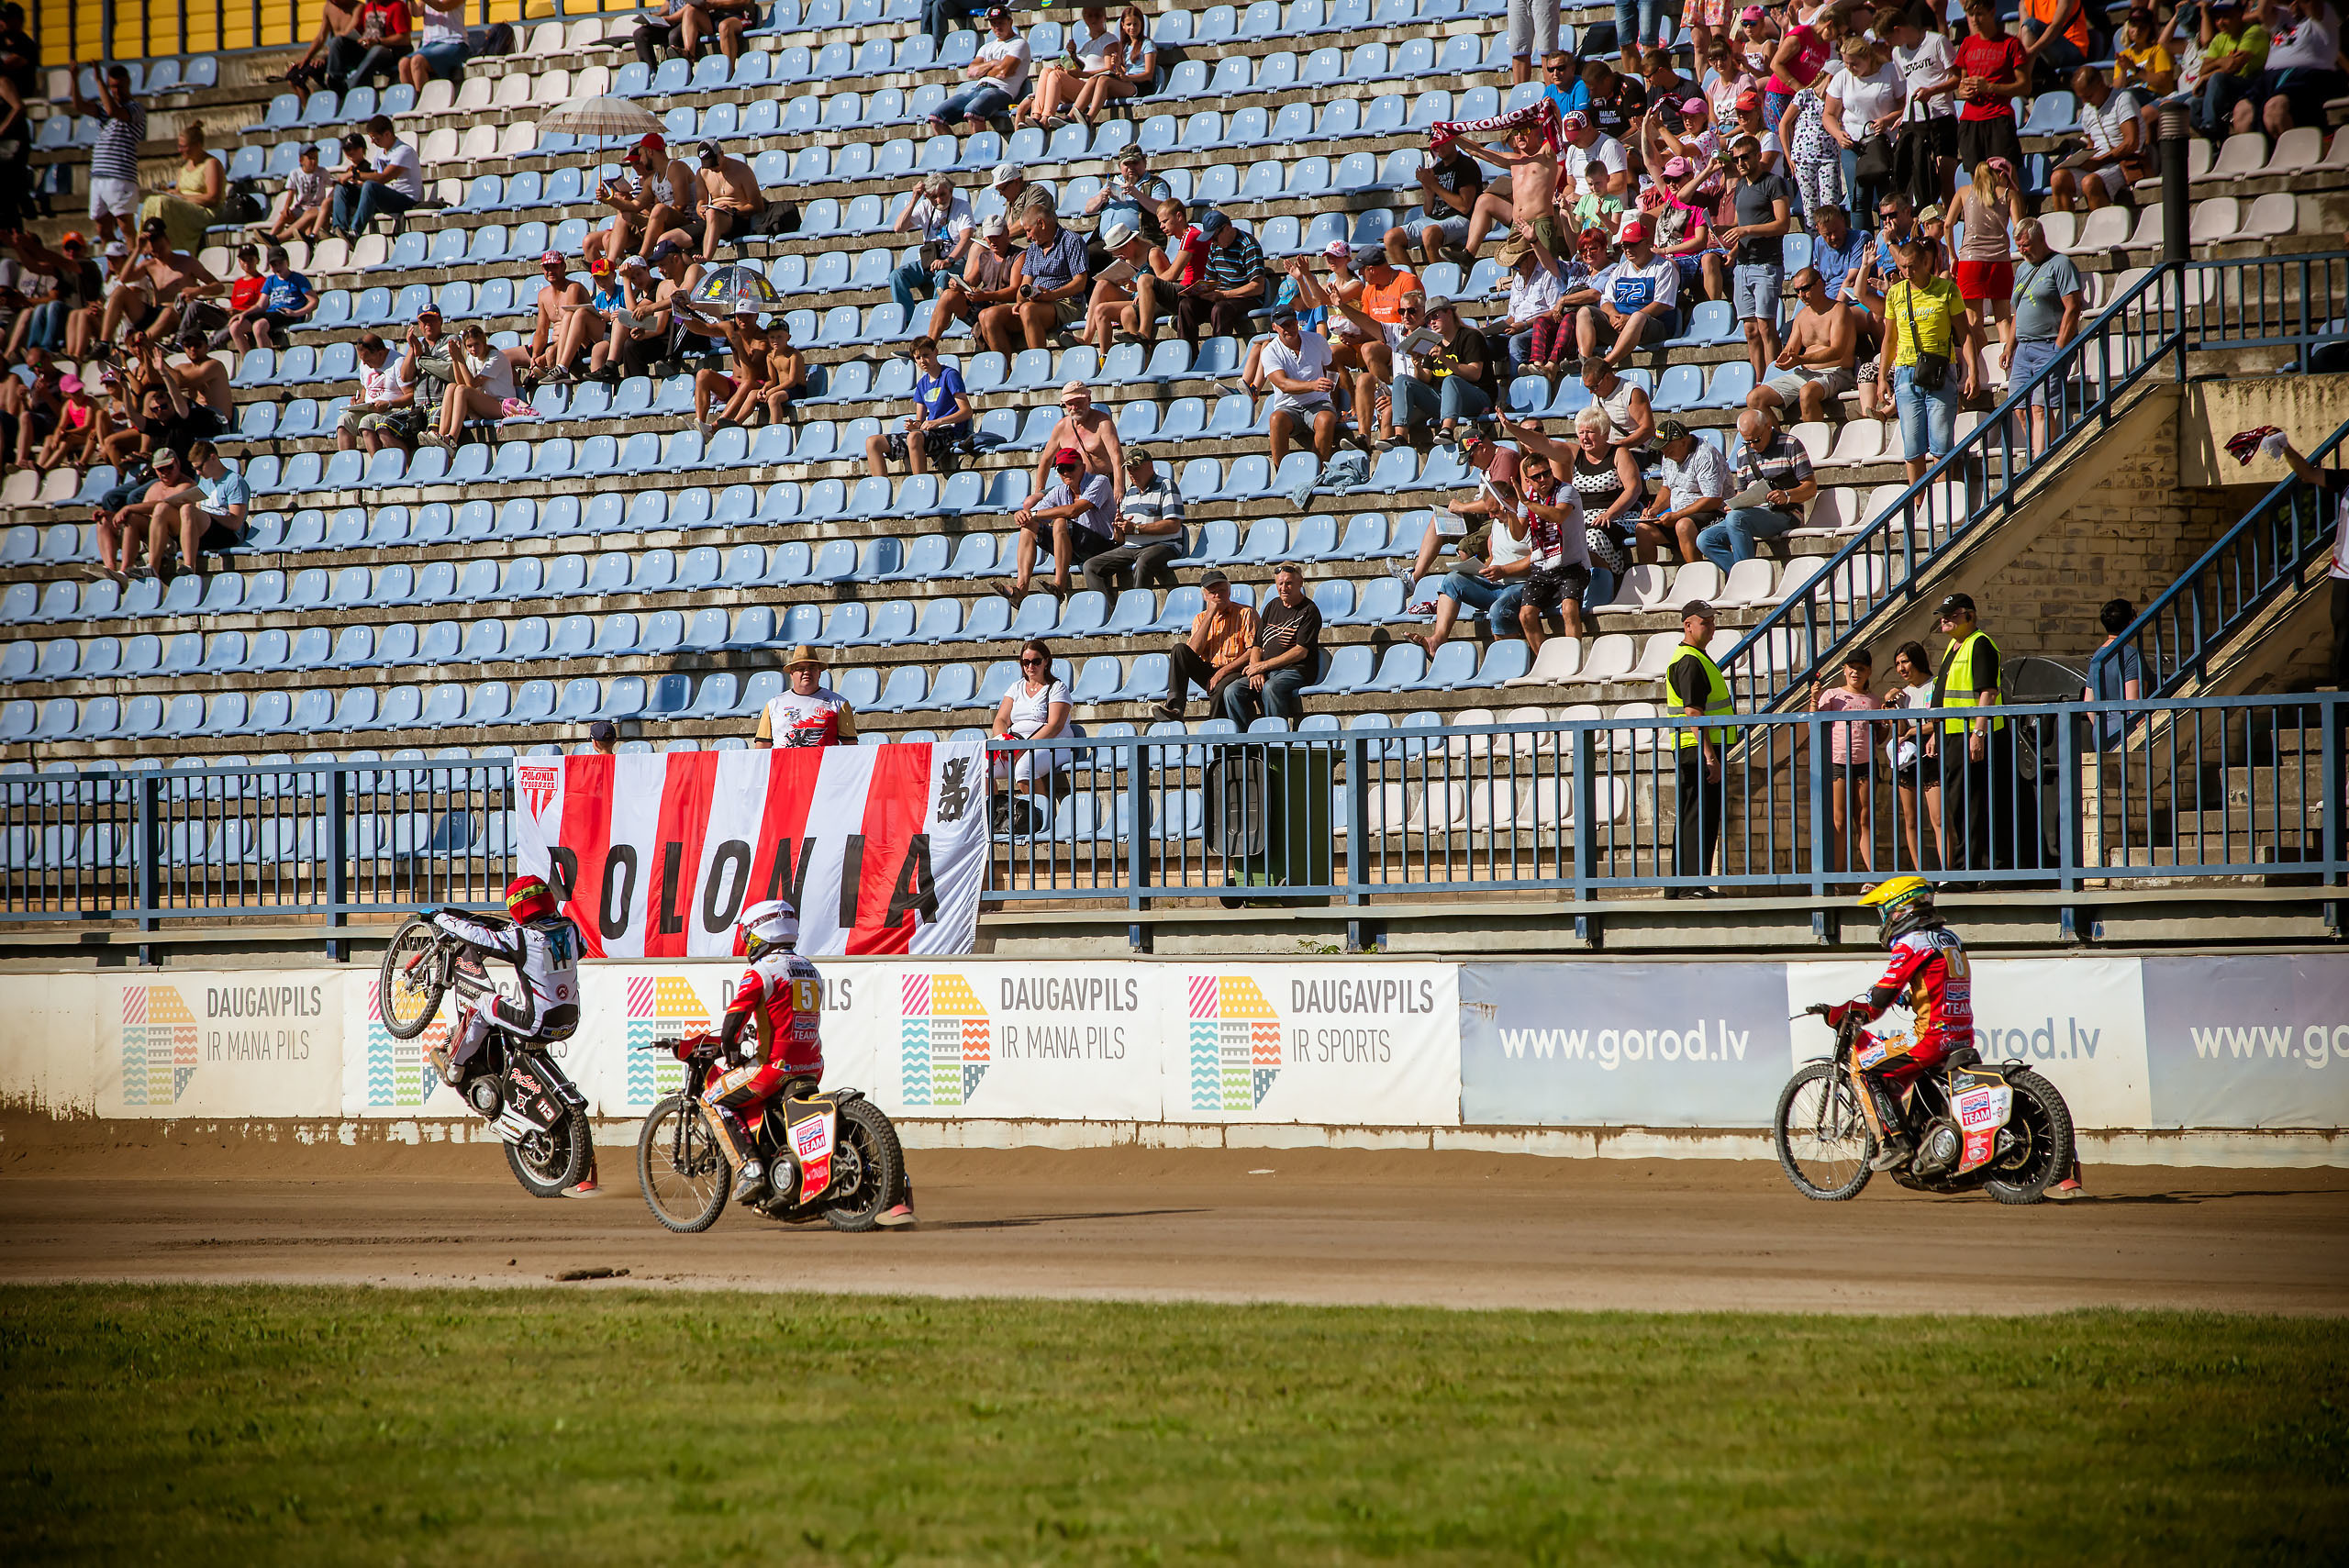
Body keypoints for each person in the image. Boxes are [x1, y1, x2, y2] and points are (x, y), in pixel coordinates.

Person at [1820, 876, 1974, 1173]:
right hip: (1961, 1034)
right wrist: (1909, 997)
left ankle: (1896, 1142)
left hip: (1929, 1037)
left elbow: (1878, 1000)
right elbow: (1937, 984)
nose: (1883, 920)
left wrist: (1845, 1010)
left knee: (1865, 1068)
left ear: (1899, 910)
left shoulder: (1911, 942)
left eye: (1884, 912)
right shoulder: (1949, 938)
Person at [424, 874, 583, 1091]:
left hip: (536, 1024)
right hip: (570, 1023)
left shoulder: (521, 937)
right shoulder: (571, 930)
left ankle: (454, 1069)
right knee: (513, 1004)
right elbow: (578, 949)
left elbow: (477, 937)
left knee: (483, 1003)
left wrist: (439, 918)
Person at [1932, 591, 2026, 878]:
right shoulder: (1955, 646)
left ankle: (1969, 871)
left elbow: (1988, 691)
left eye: (1952, 615)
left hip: (1969, 735)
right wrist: (1935, 732)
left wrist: (1979, 732)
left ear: (1969, 616)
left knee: (1970, 805)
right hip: (1951, 734)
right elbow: (1944, 695)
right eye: (1943, 616)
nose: (1945, 620)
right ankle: (1969, 868)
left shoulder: (1980, 644)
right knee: (1959, 804)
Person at [2259, 428, 2349, 691]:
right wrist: (2285, 446)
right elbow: (2308, 473)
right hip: (2345, 571)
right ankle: (2345, 689)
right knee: (2344, 628)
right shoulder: (2345, 480)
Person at [1880, 239, 1975, 483]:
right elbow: (1889, 340)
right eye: (1902, 267)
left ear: (1925, 262)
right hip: (1905, 372)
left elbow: (1964, 334)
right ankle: (1920, 506)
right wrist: (1882, 377)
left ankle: (1942, 506)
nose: (1907, 272)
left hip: (1940, 370)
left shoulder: (1947, 289)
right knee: (1912, 446)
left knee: (1941, 444)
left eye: (1912, 266)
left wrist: (1972, 371)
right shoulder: (1895, 293)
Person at [1666, 600, 1735, 896]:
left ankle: (1687, 885)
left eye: (1712, 621)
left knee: (1699, 816)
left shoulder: (1697, 657)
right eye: (1704, 622)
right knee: (1698, 816)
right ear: (1688, 625)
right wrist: (1709, 756)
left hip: (1698, 748)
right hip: (1698, 750)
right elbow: (1694, 713)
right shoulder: (1689, 661)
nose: (1710, 626)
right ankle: (1689, 885)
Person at [1717, 134, 1796, 388]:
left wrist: (1746, 231)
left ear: (1757, 155)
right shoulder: (1740, 186)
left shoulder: (1774, 183)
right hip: (1743, 265)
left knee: (1766, 327)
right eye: (1736, 158)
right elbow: (1744, 222)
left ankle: (1777, 381)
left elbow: (1782, 224)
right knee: (1750, 331)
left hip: (1766, 264)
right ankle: (1760, 383)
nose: (1740, 162)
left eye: (1745, 157)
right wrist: (1728, 236)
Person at [2006, 217, 2082, 456]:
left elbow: (2073, 306)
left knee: (2040, 407)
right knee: (2019, 408)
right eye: (2018, 246)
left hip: (2048, 345)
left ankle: (2039, 463)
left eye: (2026, 245)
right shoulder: (2022, 269)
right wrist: (2009, 346)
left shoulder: (2060, 264)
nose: (2022, 250)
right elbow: (2018, 310)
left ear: (2041, 239)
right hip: (2023, 350)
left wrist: (2060, 347)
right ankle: (2041, 453)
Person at [1003, 447, 1115, 599]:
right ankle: (1021, 589)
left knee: (1060, 522)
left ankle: (1059, 587)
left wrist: (1033, 514)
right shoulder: (1059, 490)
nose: (1066, 473)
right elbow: (1033, 516)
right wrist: (1022, 515)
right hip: (1077, 547)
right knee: (1028, 526)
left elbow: (1073, 511)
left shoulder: (1100, 481)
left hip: (1104, 548)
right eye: (1061, 469)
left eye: (1070, 467)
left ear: (1082, 467)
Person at [1748, 266, 1856, 422]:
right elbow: (1790, 348)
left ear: (1820, 284)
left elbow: (1837, 351)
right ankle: (1776, 443)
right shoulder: (1801, 316)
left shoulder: (1839, 310)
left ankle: (1813, 444)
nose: (1801, 295)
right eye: (1797, 291)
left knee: (1807, 393)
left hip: (1836, 372)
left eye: (1805, 289)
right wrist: (1785, 359)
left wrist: (1801, 360)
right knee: (1755, 398)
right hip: (1805, 374)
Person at [977, 205, 1089, 353]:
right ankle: (1005, 371)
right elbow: (1024, 286)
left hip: (1065, 304)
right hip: (1035, 303)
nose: (1028, 237)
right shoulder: (1033, 249)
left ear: (1041, 224)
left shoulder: (1071, 241)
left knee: (1028, 310)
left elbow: (1080, 283)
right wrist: (1022, 299)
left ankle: (1037, 368)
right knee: (987, 315)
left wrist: (1051, 295)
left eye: (1029, 230)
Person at [1569, 217, 1680, 364]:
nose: (1628, 250)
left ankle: (1605, 365)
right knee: (1584, 312)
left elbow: (1662, 303)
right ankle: (1585, 362)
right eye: (1624, 246)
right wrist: (1614, 316)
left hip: (1653, 326)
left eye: (1633, 244)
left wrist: (1630, 318)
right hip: (1621, 323)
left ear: (1646, 243)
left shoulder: (1664, 267)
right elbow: (1606, 300)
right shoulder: (1620, 270)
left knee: (1637, 317)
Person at [859, 335, 970, 478]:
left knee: (914, 438)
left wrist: (938, 421)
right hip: (928, 433)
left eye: (926, 355)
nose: (922, 361)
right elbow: (919, 421)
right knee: (873, 442)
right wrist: (914, 425)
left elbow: (967, 411)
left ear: (935, 352)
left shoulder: (949, 375)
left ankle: (920, 487)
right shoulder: (922, 383)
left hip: (949, 432)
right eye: (918, 358)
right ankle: (881, 493)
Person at [1954, 156, 2022, 388]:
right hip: (2000, 260)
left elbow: (1946, 224)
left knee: (1974, 322)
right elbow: (2019, 227)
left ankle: (1983, 371)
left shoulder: (1965, 191)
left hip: (1970, 262)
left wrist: (1953, 254)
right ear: (2001, 174)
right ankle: (2008, 367)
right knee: (2003, 319)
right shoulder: (2008, 195)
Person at [1812, 647, 1882, 873]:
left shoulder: (1873, 700)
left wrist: (1886, 721)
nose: (1856, 673)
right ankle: (1838, 876)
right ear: (1844, 669)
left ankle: (1872, 876)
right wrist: (1813, 700)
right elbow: (1813, 725)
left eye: (1861, 669)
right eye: (1852, 668)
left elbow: (1879, 736)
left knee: (1864, 819)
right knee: (1839, 821)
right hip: (1838, 762)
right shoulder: (1832, 695)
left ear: (1869, 672)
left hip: (1865, 763)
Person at [2232, 0, 2346, 138]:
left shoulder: (2324, 12)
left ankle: (2296, 154)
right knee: (2242, 112)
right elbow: (2262, 12)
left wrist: (2292, 3)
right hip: (2271, 76)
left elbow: (2310, 3)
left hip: (2309, 75)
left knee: (2275, 108)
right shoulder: (2282, 16)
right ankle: (2257, 156)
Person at [1153, 570, 1256, 720]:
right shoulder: (1200, 618)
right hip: (1209, 668)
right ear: (1204, 596)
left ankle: (1214, 729)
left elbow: (1253, 651)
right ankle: (1176, 708)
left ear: (1229, 591)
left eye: (1222, 590)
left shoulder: (1246, 613)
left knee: (1220, 687)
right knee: (1179, 650)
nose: (1217, 595)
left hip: (1236, 668)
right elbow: (1193, 651)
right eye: (1212, 592)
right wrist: (1210, 616)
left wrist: (1222, 672)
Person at [1082, 445, 1185, 595]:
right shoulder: (1129, 493)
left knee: (1142, 563)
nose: (1131, 473)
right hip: (1130, 547)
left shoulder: (1166, 485)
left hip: (1163, 545)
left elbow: (1174, 525)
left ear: (1150, 466)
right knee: (1090, 566)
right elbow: (1120, 539)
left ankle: (1140, 609)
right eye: (1128, 469)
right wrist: (1118, 529)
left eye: (1135, 468)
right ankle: (1107, 613)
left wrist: (1136, 529)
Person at [1227, 564, 1321, 725]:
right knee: (1232, 691)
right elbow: (1257, 645)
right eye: (1280, 584)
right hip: (1267, 669)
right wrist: (1256, 670)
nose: (1284, 588)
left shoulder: (1309, 610)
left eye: (1289, 583)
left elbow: (1300, 651)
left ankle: (1275, 744)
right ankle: (1246, 745)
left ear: (1300, 583)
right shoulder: (1272, 605)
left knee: (1271, 688)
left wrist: (1262, 666)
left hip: (1295, 670)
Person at [143, 437, 248, 580]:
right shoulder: (205, 481)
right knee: (162, 508)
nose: (197, 473)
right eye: (195, 469)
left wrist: (204, 513)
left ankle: (189, 566)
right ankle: (152, 567)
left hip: (226, 535)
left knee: (187, 509)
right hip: (202, 532)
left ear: (213, 458)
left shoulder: (234, 481)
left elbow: (235, 523)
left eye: (199, 467)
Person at [1260, 306, 1343, 481]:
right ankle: (1283, 475)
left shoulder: (1317, 341)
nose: (1289, 329)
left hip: (1318, 403)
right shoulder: (1270, 351)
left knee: (1327, 419)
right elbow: (1282, 384)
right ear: (1275, 327)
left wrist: (1335, 405)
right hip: (1288, 407)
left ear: (1297, 323)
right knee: (1276, 420)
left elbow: (1333, 370)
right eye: (1284, 326)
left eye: (1292, 324)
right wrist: (1312, 385)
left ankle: (1315, 474)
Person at [2050, 68, 2148, 213]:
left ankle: (2102, 233)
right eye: (2082, 98)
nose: (2085, 101)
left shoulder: (2122, 100)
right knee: (2058, 178)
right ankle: (2063, 233)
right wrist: (2080, 159)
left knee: (2090, 182)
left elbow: (2131, 143)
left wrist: (2100, 160)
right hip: (2100, 164)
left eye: (2088, 96)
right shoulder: (2088, 109)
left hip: (2126, 163)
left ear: (2100, 85)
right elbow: (2092, 145)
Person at [990, 637, 1076, 801]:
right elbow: (1001, 720)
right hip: (1017, 745)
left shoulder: (1057, 687)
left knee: (1024, 768)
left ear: (1046, 662)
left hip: (1054, 744)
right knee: (982, 768)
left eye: (1036, 661)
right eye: (1026, 662)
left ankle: (1042, 819)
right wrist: (1003, 742)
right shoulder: (1016, 687)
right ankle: (996, 816)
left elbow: (1055, 725)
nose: (1030, 666)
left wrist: (1024, 747)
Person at [1884, 639, 1943, 872]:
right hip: (1908, 756)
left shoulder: (1936, 685)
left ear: (1917, 660)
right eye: (1897, 664)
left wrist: (1913, 730)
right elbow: (1898, 731)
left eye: (1905, 661)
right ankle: (1921, 872)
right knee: (1910, 819)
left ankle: (1946, 873)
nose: (1901, 668)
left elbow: (1939, 720)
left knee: (1937, 818)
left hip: (1932, 753)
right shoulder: (1903, 694)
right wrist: (1891, 705)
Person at [72, 64, 145, 249]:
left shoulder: (135, 108)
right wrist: (74, 77)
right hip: (99, 176)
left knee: (125, 226)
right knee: (102, 229)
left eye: (119, 86)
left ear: (128, 83)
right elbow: (79, 106)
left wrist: (98, 82)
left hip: (120, 175)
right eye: (112, 86)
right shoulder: (104, 109)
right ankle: (115, 267)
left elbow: (114, 112)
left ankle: (133, 266)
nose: (116, 91)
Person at [1640, 417, 1732, 562]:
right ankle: (1647, 583)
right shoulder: (1668, 456)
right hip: (1679, 515)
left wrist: (1677, 516)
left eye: (1669, 449)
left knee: (1683, 525)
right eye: (1663, 450)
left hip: (1714, 513)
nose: (1666, 454)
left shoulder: (1705, 455)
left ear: (1683, 441)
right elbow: (1667, 487)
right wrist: (1654, 510)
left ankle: (1695, 579)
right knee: (1643, 529)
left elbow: (1713, 499)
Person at [930, 6, 1031, 135]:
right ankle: (955, 153)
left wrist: (984, 70)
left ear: (1010, 22)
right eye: (993, 23)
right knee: (936, 117)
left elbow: (1003, 72)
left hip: (1001, 90)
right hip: (978, 88)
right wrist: (994, 63)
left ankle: (980, 152)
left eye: (1000, 22)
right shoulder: (987, 47)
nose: (997, 27)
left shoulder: (1019, 43)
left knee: (972, 111)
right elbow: (971, 71)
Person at [1953, 0, 2029, 170]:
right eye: (1971, 15)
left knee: (2005, 178)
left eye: (1980, 14)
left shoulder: (2011, 44)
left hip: (1998, 117)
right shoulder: (1967, 43)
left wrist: (1990, 87)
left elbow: (2025, 86)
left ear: (1992, 12)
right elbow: (1962, 83)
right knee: (1978, 182)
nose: (1975, 20)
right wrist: (1964, 91)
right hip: (1970, 121)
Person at [889, 172, 975, 317]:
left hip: (954, 260)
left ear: (951, 191)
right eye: (934, 197)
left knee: (942, 275)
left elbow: (966, 239)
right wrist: (914, 199)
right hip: (928, 262)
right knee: (897, 276)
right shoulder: (924, 206)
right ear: (927, 196)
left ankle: (936, 319)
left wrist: (949, 260)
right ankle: (907, 320)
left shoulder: (962, 206)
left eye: (943, 194)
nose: (939, 200)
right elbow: (899, 228)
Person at [1173, 209, 1264, 347]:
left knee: (1220, 309)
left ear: (1227, 228)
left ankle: (1218, 353)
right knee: (1186, 306)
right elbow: (1210, 280)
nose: (1212, 242)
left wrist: (1225, 295)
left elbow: (1257, 287)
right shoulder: (1215, 248)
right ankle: (1189, 356)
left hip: (1245, 297)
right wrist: (1202, 292)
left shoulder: (1248, 244)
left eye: (1214, 238)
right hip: (1222, 296)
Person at [1389, 143, 1486, 269]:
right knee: (1391, 237)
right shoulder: (1437, 169)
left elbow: (1464, 206)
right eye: (1435, 146)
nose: (1439, 149)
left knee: (1429, 233)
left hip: (1464, 219)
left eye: (1441, 144)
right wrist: (1428, 190)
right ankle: (1412, 285)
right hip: (1436, 219)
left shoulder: (1466, 165)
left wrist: (1434, 185)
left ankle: (1441, 280)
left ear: (1451, 141)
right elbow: (1428, 212)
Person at [930, 210, 1020, 340]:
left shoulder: (1018, 256)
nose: (993, 241)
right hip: (985, 306)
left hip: (1006, 309)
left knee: (989, 315)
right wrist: (958, 285)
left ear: (1006, 233)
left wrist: (985, 296)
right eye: (989, 237)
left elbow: (1014, 291)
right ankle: (929, 346)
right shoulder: (984, 257)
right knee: (948, 295)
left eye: (997, 236)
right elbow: (969, 281)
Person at [136, 121, 224, 255]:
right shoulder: (183, 168)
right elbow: (179, 192)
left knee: (163, 202)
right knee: (151, 200)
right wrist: (169, 192)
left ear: (197, 146)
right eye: (179, 146)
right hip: (185, 209)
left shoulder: (211, 163)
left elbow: (213, 198)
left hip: (205, 211)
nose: (180, 150)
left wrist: (182, 197)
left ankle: (165, 247)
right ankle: (149, 245)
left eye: (184, 146)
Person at [331, 116, 423, 239]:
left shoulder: (404, 151)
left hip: (405, 200)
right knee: (342, 188)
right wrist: (358, 183)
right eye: (371, 138)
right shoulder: (380, 151)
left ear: (387, 134)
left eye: (375, 138)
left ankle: (355, 232)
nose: (372, 142)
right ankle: (338, 230)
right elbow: (373, 177)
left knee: (370, 186)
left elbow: (383, 178)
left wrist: (354, 174)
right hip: (383, 197)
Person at [1032, 379, 1123, 503]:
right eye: (1070, 404)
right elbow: (1046, 461)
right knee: (1030, 502)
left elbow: (1116, 457)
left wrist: (1118, 488)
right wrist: (1039, 491)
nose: (1074, 407)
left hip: (1099, 485)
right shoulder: (1061, 426)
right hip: (1071, 487)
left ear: (1089, 400)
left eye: (1079, 402)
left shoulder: (1103, 423)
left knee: (1075, 510)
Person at [754, 646, 859, 746]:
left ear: (819, 673)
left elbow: (851, 746)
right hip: (785, 764)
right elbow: (762, 745)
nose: (807, 672)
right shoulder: (774, 705)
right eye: (801, 669)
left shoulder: (839, 703)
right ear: (791, 674)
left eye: (812, 668)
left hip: (823, 764)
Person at [2083, 596, 2144, 751]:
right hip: (2127, 731)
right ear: (2131, 622)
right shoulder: (2130, 655)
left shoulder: (2097, 656)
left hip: (2102, 732)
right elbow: (2133, 704)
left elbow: (2089, 704)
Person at [228, 246, 315, 352]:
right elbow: (261, 305)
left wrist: (296, 313)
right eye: (274, 264)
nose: (278, 267)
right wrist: (243, 314)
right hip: (272, 313)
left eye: (280, 263)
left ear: (287, 262)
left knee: (258, 326)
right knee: (235, 327)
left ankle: (266, 364)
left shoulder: (298, 278)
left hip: (288, 313)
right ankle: (249, 362)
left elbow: (314, 301)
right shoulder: (271, 280)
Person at [263, 142, 332, 242]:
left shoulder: (322, 172)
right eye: (310, 159)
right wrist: (286, 207)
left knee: (310, 224)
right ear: (301, 160)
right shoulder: (295, 173)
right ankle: (270, 237)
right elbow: (291, 194)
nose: (314, 162)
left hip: (316, 208)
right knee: (284, 216)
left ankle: (306, 243)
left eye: (316, 158)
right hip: (301, 208)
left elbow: (333, 183)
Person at [401, 0, 472, 89]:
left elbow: (441, 7)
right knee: (403, 63)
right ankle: (411, 100)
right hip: (430, 44)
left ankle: (423, 100)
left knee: (417, 61)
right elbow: (416, 12)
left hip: (453, 43)